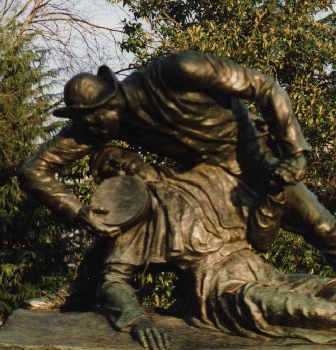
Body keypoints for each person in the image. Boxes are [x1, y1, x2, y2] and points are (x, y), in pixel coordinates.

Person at [18, 52, 336, 344]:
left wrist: (295, 153)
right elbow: (34, 170)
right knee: (132, 212)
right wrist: (80, 212)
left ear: (110, 101)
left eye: (92, 120)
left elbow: (266, 87)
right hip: (211, 184)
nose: (89, 130)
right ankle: (82, 288)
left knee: (325, 229)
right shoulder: (107, 127)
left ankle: (84, 287)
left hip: (257, 162)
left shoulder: (180, 71)